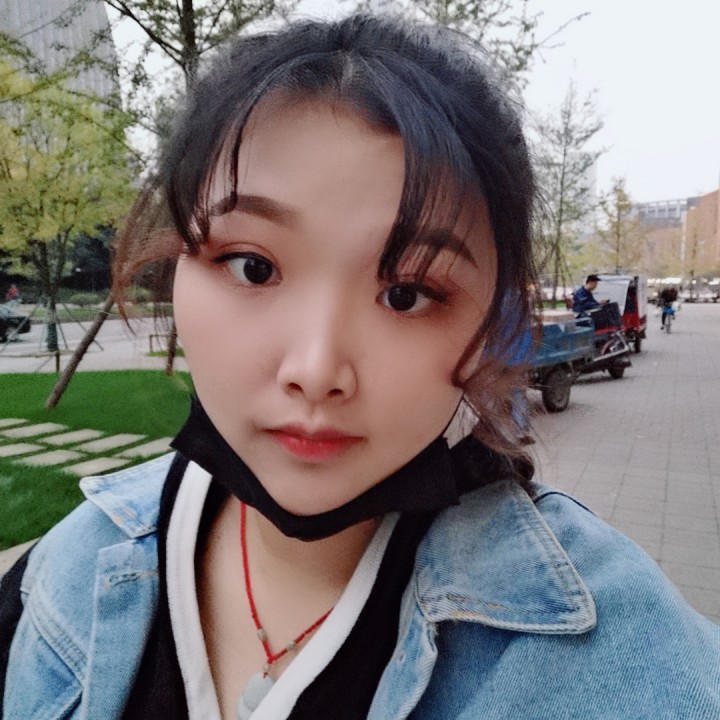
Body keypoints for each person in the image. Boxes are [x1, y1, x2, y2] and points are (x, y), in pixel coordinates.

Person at [2, 14, 718, 720]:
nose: (316, 371)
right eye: (252, 267)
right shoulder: (66, 576)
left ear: (492, 322)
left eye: (407, 294)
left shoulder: (623, 658)